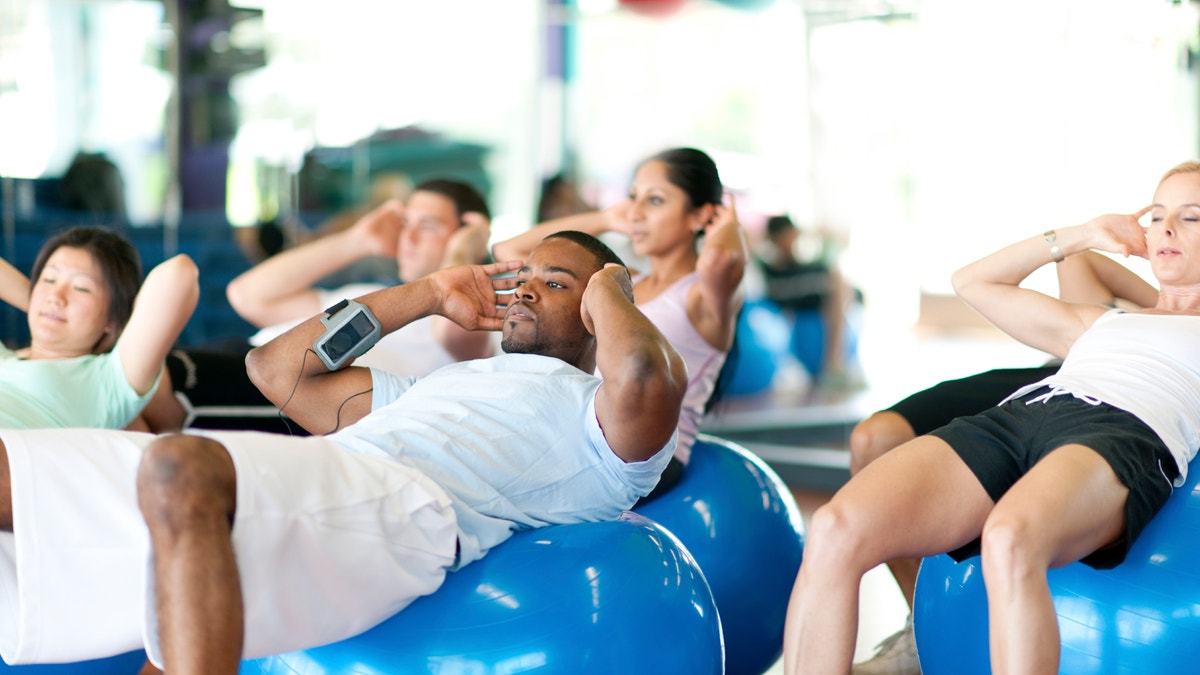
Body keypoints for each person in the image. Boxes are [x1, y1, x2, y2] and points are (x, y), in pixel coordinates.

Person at [0, 230, 687, 674]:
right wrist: (423, 295)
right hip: (343, 478)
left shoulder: (599, 422)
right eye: (524, 275)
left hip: (408, 506)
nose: (527, 286)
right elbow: (277, 368)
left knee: (182, 465)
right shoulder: (440, 386)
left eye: (558, 282)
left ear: (600, 313)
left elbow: (647, 376)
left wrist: (612, 287)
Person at [784, 160, 1200, 675]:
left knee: (1010, 538)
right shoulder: (1100, 323)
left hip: (1124, 434)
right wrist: (1082, 234)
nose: (1166, 228)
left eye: (1191, 217)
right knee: (833, 529)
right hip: (1022, 415)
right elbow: (972, 282)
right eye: (1158, 214)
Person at [844, 250, 1159, 675]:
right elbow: (1079, 260)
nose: (1171, 229)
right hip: (1052, 378)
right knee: (874, 439)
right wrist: (1166, 304)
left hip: (1115, 407)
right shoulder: (1127, 317)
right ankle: (920, 633)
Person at [493, 147, 747, 499]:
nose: (636, 213)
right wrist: (607, 219)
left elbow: (720, 257)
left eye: (655, 201)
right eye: (633, 198)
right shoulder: (621, 284)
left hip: (645, 456)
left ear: (700, 215)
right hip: (588, 433)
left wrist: (726, 221)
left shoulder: (702, 297)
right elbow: (509, 253)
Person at [226, 177, 495, 375]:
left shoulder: (474, 320)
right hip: (244, 356)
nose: (408, 238)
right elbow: (249, 296)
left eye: (427, 226)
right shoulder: (369, 294)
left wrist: (464, 251)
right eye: (405, 224)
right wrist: (358, 240)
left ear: (467, 236)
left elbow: (453, 329)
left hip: (267, 389)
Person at [0, 226, 198, 432]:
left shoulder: (105, 384)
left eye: (81, 288)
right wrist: (37, 304)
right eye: (49, 280)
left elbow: (179, 272)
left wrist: (46, 308)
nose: (55, 296)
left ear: (112, 320)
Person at [755, 214, 860, 386]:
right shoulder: (768, 271)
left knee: (840, 283)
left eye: (790, 235)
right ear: (773, 239)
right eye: (782, 236)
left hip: (819, 315)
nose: (787, 241)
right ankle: (826, 367)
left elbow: (849, 292)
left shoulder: (813, 267)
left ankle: (835, 364)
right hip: (790, 324)